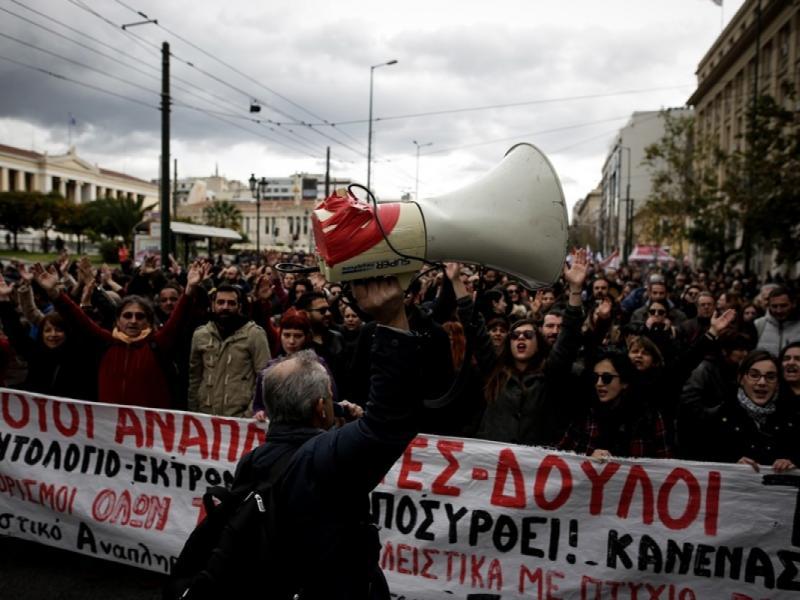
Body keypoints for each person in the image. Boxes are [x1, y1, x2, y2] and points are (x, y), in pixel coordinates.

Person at [246, 277, 423, 599]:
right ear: (319, 406)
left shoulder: (254, 461)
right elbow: (390, 419)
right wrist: (392, 318)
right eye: (329, 395)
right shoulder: (322, 458)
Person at [475, 249, 587, 446]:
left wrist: (575, 290)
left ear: (539, 342)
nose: (521, 338)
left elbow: (568, 337)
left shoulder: (550, 374)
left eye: (528, 335)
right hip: (494, 465)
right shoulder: (495, 371)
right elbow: (476, 329)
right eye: (515, 335)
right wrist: (459, 287)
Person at [695, 350, 798, 472]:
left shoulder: (792, 419)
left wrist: (792, 462)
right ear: (741, 379)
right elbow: (700, 466)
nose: (762, 382)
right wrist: (731, 464)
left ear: (777, 384)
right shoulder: (716, 418)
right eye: (754, 375)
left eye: (770, 377)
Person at [557, 350, 672, 459]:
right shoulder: (585, 414)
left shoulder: (648, 418)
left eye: (607, 378)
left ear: (624, 382)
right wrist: (588, 459)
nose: (599, 383)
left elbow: (664, 467)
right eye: (595, 377)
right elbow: (560, 458)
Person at [188, 284, 270, 417]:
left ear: (239, 307)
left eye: (231, 303)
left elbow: (265, 377)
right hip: (205, 416)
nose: (225, 307)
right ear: (213, 305)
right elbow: (195, 378)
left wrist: (251, 412)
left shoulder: (254, 334)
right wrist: (193, 413)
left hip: (240, 418)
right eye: (220, 302)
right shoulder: (201, 334)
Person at [754, 286, 800, 356]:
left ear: (793, 304)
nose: (779, 311)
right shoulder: (758, 325)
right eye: (774, 306)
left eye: (783, 306)